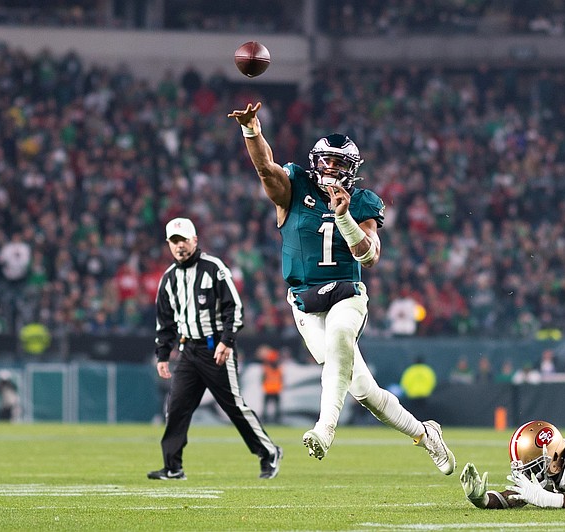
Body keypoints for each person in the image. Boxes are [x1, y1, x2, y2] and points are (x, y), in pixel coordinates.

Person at [228, 102, 455, 474]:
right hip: (304, 303)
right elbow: (265, 168)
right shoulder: (294, 185)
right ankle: (425, 433)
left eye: (340, 164)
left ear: (352, 171)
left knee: (339, 339)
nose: (331, 169)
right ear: (315, 162)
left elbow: (369, 257)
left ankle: (324, 429)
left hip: (347, 294)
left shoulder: (363, 201)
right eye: (327, 161)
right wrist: (252, 130)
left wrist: (343, 216)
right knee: (365, 393)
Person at [149, 217, 282, 481]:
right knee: (175, 407)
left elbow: (235, 308)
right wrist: (163, 354)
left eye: (184, 240)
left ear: (195, 240)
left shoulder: (214, 268)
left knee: (233, 406)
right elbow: (165, 320)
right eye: (174, 242)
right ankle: (173, 467)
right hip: (188, 350)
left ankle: (269, 452)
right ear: (168, 245)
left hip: (215, 349)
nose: (180, 246)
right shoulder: (168, 279)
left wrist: (226, 341)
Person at [259, 345, 283, 424]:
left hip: (273, 390)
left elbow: (262, 379)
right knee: (269, 407)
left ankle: (275, 420)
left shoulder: (268, 368)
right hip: (270, 390)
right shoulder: (269, 368)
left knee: (274, 408)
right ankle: (269, 420)